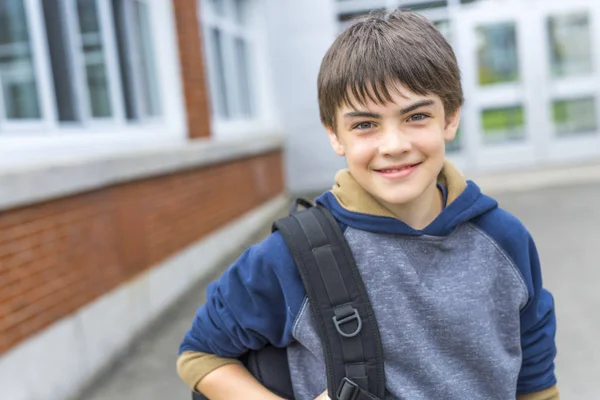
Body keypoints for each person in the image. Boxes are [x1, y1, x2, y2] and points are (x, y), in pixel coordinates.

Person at [176, 9, 559, 400]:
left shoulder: (506, 240)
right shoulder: (292, 257)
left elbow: (536, 382)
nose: (393, 146)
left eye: (416, 116)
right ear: (335, 135)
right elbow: (200, 354)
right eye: (364, 125)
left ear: (450, 117)